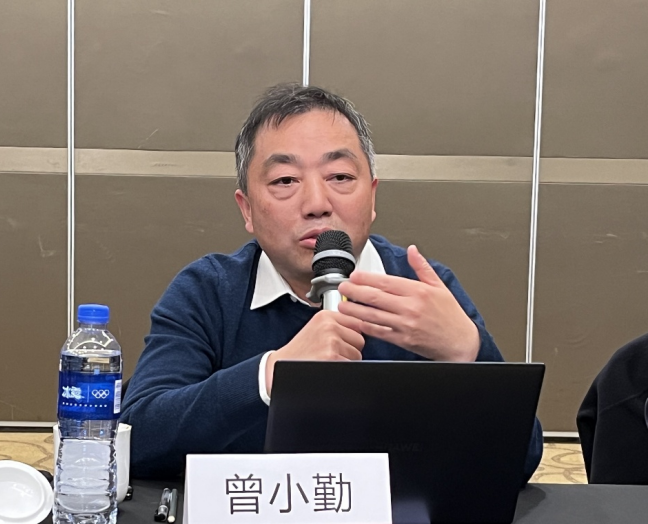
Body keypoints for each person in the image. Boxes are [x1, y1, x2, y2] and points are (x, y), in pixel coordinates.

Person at [121, 83, 543, 482]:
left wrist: (469, 351)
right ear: (246, 209)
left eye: (339, 177)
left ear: (372, 196)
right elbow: (138, 438)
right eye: (285, 180)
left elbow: (519, 462)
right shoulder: (209, 291)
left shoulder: (421, 290)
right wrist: (271, 374)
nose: (317, 204)